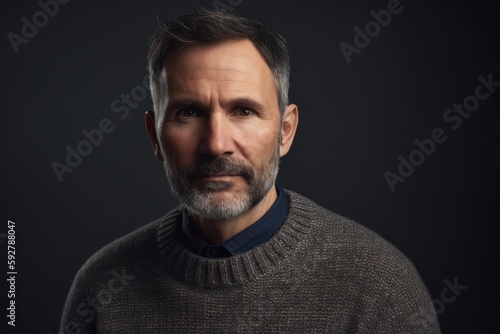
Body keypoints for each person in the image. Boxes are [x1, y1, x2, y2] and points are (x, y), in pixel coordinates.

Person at [60, 9, 440, 333]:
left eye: (243, 111)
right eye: (188, 112)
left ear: (285, 132)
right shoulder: (103, 287)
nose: (215, 143)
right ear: (154, 135)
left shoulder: (380, 287)